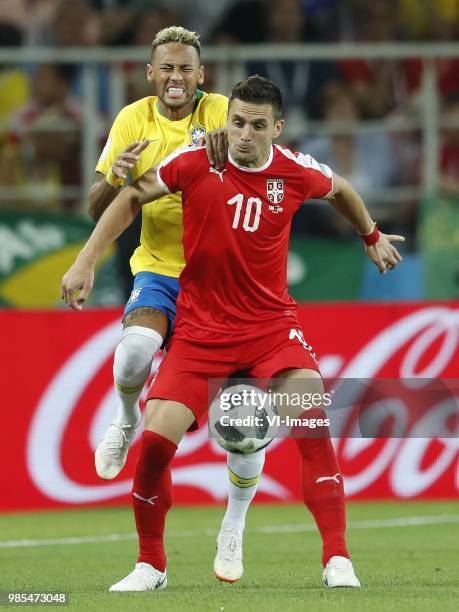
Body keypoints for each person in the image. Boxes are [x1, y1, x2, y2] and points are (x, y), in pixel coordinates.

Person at [62, 75, 404, 591]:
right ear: (228, 122)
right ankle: (150, 565)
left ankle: (337, 558)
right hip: (200, 332)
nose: (244, 134)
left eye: (257, 126)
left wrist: (371, 235)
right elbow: (132, 196)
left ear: (278, 129)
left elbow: (342, 190)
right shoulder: (197, 161)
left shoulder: (294, 171)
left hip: (270, 329)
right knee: (155, 444)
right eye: (237, 122)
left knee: (312, 425)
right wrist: (86, 260)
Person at [86, 26, 266, 583]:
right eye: (166, 68)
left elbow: (263, 155)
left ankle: (233, 527)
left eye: (185, 68)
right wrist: (117, 177)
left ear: (201, 74)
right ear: (150, 73)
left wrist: (236, 149)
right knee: (134, 353)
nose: (175, 78)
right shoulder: (131, 122)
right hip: (161, 269)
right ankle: (124, 417)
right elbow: (99, 204)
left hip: (226, 281)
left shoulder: (223, 113)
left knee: (244, 421)